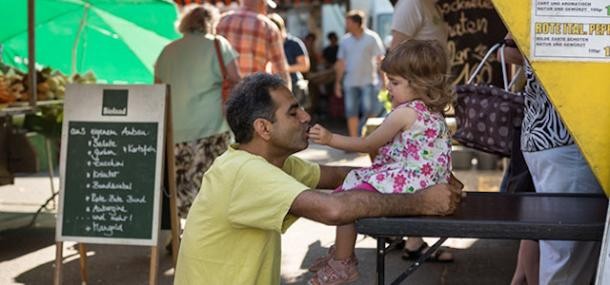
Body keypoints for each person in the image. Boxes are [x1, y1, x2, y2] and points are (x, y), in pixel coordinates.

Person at [173, 72, 464, 285]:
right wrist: (421, 200)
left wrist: (421, 177)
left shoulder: (274, 164)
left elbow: (342, 174)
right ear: (263, 128)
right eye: (293, 112)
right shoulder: (244, 171)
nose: (305, 116)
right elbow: (334, 209)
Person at [308, 40, 455, 284]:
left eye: (395, 82)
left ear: (419, 83)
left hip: (413, 182)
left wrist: (330, 138)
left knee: (348, 195)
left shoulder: (405, 112)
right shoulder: (431, 109)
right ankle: (341, 256)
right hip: (429, 181)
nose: (388, 87)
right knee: (353, 184)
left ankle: (342, 262)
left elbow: (368, 145)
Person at [503, 34, 603, 285]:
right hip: (570, 139)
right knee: (567, 263)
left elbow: (508, 46)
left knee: (563, 256)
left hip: (547, 135)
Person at [154, 3, 240, 219]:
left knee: (181, 187)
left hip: (176, 130)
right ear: (210, 23)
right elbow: (237, 81)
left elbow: (156, 90)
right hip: (213, 126)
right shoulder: (219, 45)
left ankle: (180, 232)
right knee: (213, 186)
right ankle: (209, 232)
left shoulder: (167, 50)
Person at [216, 0, 291, 90]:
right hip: (253, 96)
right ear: (262, 4)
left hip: (225, 94)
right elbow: (281, 72)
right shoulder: (268, 27)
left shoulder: (221, 21)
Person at [334, 10, 385, 138]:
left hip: (368, 81)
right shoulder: (345, 41)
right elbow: (340, 63)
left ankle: (365, 136)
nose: (346, 25)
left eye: (349, 22)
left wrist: (384, 79)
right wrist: (337, 83)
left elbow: (380, 59)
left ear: (357, 23)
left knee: (370, 111)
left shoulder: (372, 38)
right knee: (351, 113)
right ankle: (354, 141)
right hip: (350, 82)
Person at [267, 13, 311, 108]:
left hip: (294, 85)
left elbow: (305, 66)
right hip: (274, 87)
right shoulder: (266, 44)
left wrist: (283, 68)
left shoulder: (294, 43)